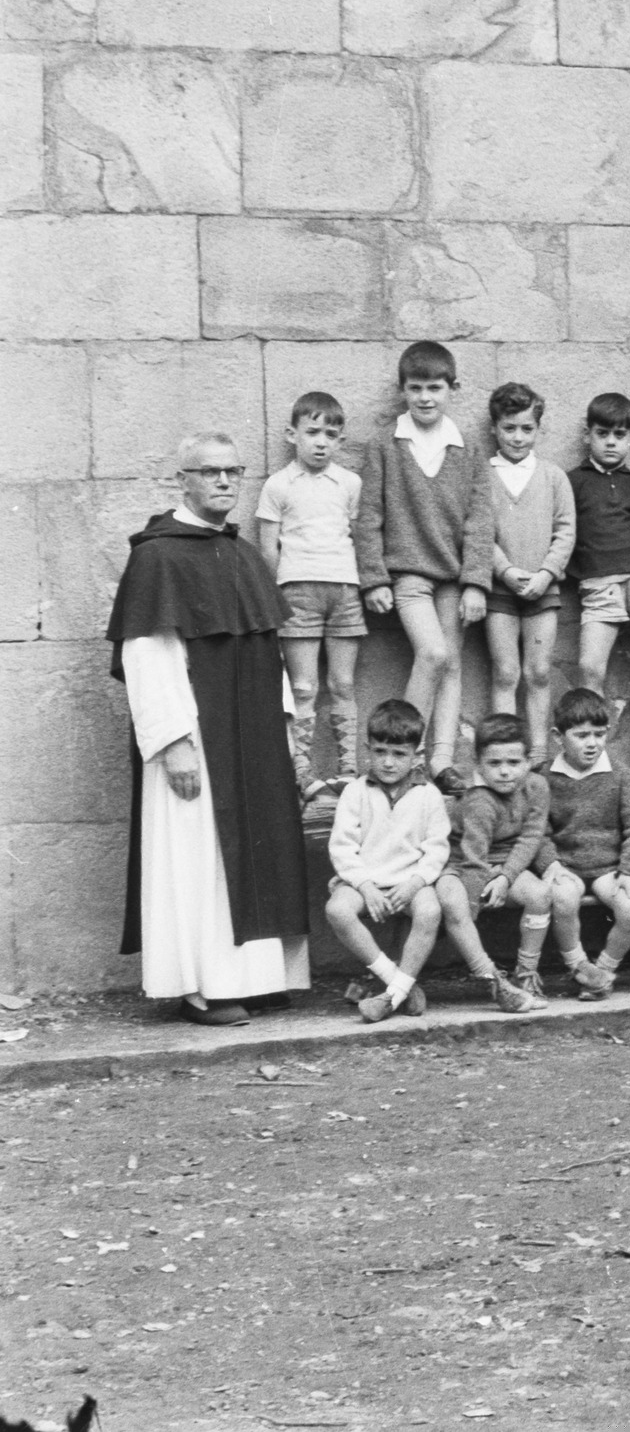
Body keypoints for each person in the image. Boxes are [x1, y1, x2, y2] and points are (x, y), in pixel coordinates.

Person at [109, 430, 312, 1026]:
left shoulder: (243, 553)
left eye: (233, 471)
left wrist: (285, 729)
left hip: (255, 735)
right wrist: (173, 743)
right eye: (210, 471)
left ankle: (258, 979)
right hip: (197, 738)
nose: (224, 481)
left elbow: (268, 651)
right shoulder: (157, 557)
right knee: (202, 858)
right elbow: (147, 655)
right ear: (184, 480)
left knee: (259, 851)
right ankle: (206, 987)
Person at [356, 340, 493, 791]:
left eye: (435, 388)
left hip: (452, 577)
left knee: (451, 663)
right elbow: (369, 515)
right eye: (415, 388)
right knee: (432, 653)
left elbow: (480, 519)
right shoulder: (385, 444)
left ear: (453, 388)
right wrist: (374, 578)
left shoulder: (467, 446)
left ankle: (441, 761)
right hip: (408, 576)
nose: (425, 397)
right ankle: (404, 756)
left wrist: (476, 583)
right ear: (403, 390)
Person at [254, 390, 363, 802]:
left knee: (343, 683)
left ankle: (349, 770)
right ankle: (302, 771)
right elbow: (268, 549)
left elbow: (357, 537)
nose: (321, 442)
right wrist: (275, 598)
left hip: (344, 589)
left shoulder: (349, 483)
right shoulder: (278, 485)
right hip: (297, 591)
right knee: (302, 687)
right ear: (292, 434)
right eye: (312, 432)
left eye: (330, 435)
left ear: (340, 441)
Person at [324, 700, 449, 1023]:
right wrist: (365, 886)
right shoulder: (355, 792)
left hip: (410, 882)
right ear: (367, 749)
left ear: (416, 755)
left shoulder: (428, 795)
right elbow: (342, 848)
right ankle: (399, 984)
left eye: (399, 754)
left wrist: (416, 883)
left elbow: (437, 849)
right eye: (380, 752)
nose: (388, 762)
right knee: (337, 909)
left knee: (430, 910)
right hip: (366, 880)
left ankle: (391, 996)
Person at [431, 711, 553, 1013]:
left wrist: (505, 878)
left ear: (528, 761)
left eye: (514, 762)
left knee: (540, 894)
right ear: (479, 764)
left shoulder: (537, 786)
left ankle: (525, 974)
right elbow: (473, 859)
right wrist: (475, 904)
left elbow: (531, 837)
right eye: (494, 763)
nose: (505, 772)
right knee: (453, 902)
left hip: (503, 863)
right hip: (459, 864)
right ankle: (494, 980)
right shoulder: (480, 801)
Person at [483, 382, 575, 763]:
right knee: (506, 672)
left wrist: (546, 574)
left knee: (538, 671)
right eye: (509, 428)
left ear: (538, 429)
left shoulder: (552, 476)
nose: (518, 437)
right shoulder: (483, 476)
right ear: (494, 428)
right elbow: (478, 531)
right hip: (499, 591)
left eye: (527, 428)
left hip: (543, 589)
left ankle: (537, 753)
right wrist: (504, 570)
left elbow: (565, 530)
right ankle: (506, 754)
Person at [544, 686, 630, 999]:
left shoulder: (619, 773)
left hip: (610, 868)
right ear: (558, 737)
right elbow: (538, 831)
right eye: (581, 735)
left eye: (599, 734)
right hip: (567, 866)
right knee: (562, 897)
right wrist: (550, 862)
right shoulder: (546, 778)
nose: (592, 743)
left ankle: (602, 971)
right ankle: (578, 966)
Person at [566, 392, 630, 722]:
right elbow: (563, 531)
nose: (610, 442)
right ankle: (591, 745)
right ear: (587, 435)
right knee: (590, 667)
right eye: (602, 433)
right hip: (599, 586)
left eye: (619, 435)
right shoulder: (572, 482)